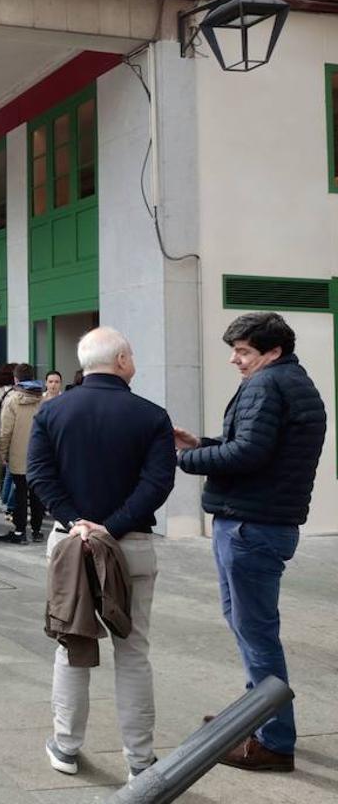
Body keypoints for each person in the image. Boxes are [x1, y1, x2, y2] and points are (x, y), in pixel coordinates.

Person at [175, 313, 326, 772]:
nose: (235, 359)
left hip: (250, 525)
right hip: (265, 522)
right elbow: (259, 446)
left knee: (256, 635)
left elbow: (249, 453)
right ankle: (253, 717)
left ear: (272, 351)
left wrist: (186, 456)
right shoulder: (293, 380)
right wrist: (201, 442)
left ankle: (273, 740)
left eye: (243, 351)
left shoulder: (266, 385)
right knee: (252, 629)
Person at [27, 327, 176, 781]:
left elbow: (38, 474)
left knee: (71, 645)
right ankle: (140, 760)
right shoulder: (151, 417)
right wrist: (110, 527)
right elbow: (157, 485)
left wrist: (76, 521)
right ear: (124, 361)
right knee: (133, 653)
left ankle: (67, 747)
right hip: (130, 546)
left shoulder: (52, 412)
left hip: (69, 545)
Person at [0, 377, 46, 544]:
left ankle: (19, 532)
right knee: (37, 494)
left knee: (20, 493)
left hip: (19, 455)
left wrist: (2, 452)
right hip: (40, 456)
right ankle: (37, 531)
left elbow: (5, 431)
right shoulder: (44, 401)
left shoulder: (12, 401)